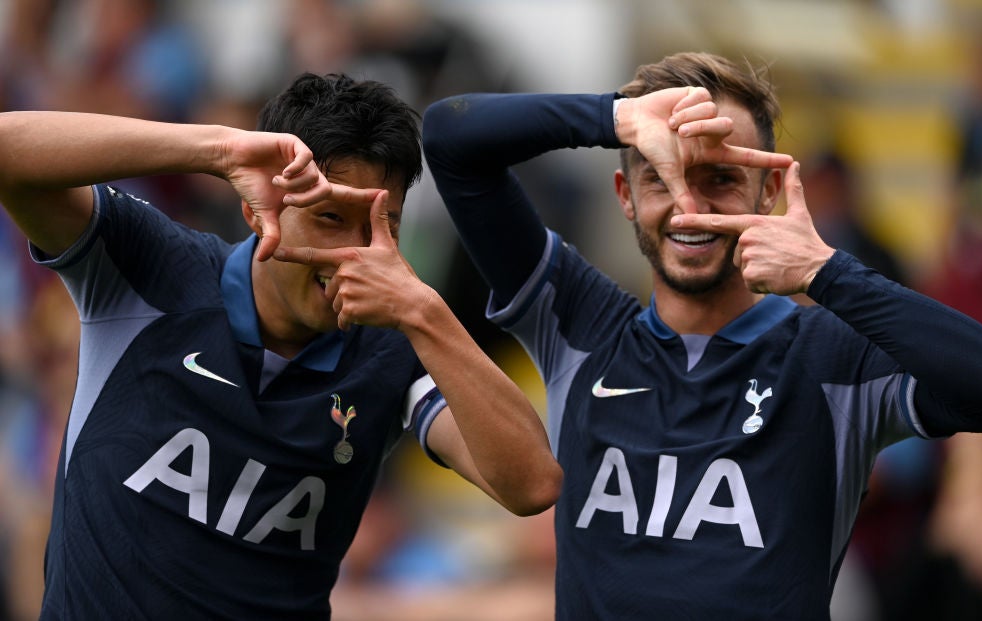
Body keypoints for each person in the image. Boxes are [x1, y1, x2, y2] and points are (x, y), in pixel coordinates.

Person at [418, 52, 982, 619]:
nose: (690, 205)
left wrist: (826, 270)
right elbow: (450, 136)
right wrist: (615, 117)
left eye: (721, 178)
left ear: (767, 194)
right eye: (661, 175)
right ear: (626, 196)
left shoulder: (834, 356)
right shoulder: (580, 321)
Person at [0, 72, 561, 620]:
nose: (353, 254)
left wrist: (424, 311)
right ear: (259, 205)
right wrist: (215, 149)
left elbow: (532, 483)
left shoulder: (396, 349)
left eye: (379, 225)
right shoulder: (152, 266)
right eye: (330, 218)